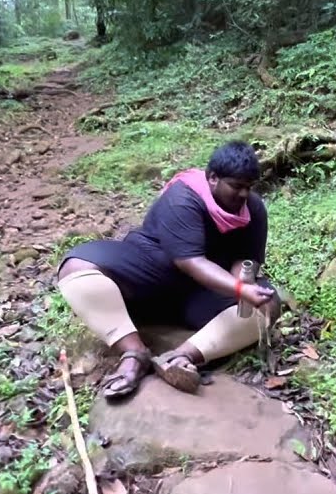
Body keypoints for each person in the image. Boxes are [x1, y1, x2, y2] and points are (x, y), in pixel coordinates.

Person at [54, 140, 281, 399]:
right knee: (76, 267)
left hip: (200, 295)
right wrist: (238, 288)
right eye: (236, 186)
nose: (243, 195)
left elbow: (246, 257)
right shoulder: (183, 198)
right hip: (151, 273)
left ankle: (181, 357)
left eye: (249, 188)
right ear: (213, 178)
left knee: (268, 303)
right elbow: (190, 261)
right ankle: (133, 352)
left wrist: (244, 284)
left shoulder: (253, 208)